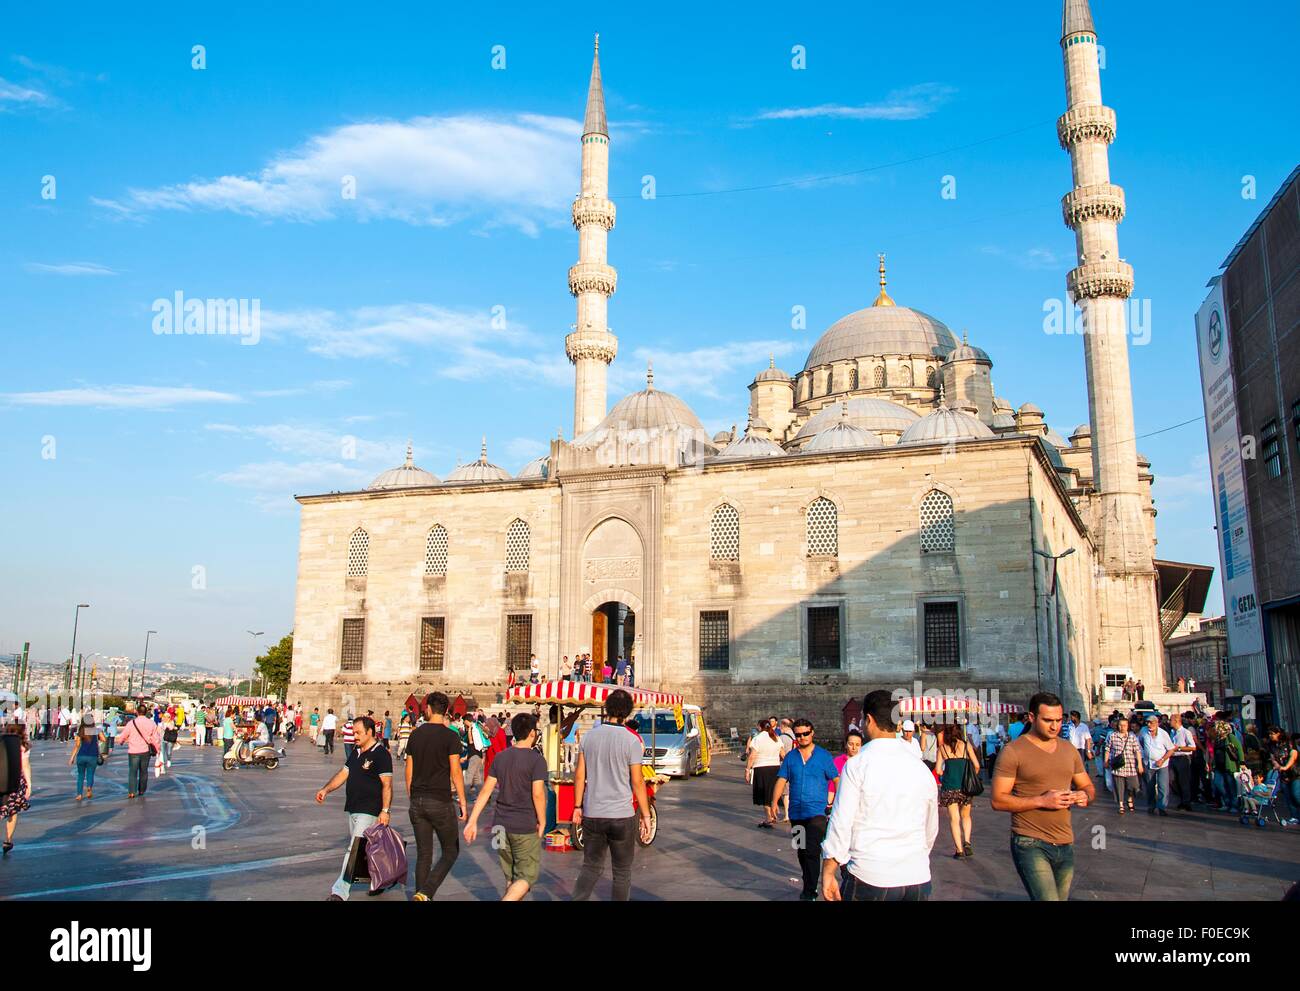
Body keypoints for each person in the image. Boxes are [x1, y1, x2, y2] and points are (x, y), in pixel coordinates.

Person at [821, 690, 938, 901]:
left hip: (871, 875)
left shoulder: (857, 765)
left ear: (869, 719)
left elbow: (841, 822)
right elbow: (931, 827)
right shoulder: (921, 768)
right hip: (917, 876)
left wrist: (829, 869)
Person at [990, 692, 1095, 901]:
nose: (1055, 726)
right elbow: (998, 800)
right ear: (1031, 717)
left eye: (1058, 720)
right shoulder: (1014, 751)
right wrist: (1042, 800)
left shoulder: (1068, 749)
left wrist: (1083, 795)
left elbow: (1088, 787)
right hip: (1029, 841)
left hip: (1065, 841)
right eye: (1048, 720)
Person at [571, 689, 652, 901]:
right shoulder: (631, 741)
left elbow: (579, 776)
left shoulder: (589, 738)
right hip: (621, 815)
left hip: (593, 813)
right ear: (627, 712)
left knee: (591, 867)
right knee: (622, 873)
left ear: (607, 709)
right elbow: (637, 781)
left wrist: (577, 807)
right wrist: (646, 815)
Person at [464, 712, 548, 900]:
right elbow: (538, 794)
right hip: (523, 826)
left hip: (499, 827)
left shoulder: (500, 757)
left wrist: (473, 820)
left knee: (510, 876)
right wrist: (543, 821)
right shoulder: (537, 760)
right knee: (527, 876)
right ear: (532, 733)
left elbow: (485, 791)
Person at [315, 715, 392, 900]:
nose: (355, 736)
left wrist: (385, 811)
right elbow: (343, 774)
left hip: (370, 809)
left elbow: (387, 785)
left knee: (354, 850)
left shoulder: (381, 754)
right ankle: (383, 880)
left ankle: (339, 892)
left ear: (370, 732)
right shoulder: (356, 752)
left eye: (358, 733)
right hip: (353, 807)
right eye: (353, 732)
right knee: (366, 850)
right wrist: (326, 790)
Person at [769, 718, 839, 900]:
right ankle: (808, 880)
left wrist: (839, 803)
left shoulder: (823, 756)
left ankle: (810, 891)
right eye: (798, 735)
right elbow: (781, 780)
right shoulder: (791, 757)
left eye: (805, 733)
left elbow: (836, 779)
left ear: (812, 733)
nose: (802, 737)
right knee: (801, 850)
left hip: (816, 813)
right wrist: (774, 802)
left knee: (812, 851)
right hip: (796, 814)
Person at [405, 691, 466, 901]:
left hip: (417, 800)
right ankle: (426, 892)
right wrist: (463, 802)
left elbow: (409, 771)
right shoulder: (451, 736)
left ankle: (420, 896)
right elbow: (456, 772)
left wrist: (412, 796)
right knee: (450, 851)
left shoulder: (415, 734)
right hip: (440, 801)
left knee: (424, 854)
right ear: (447, 710)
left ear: (429, 709)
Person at [936, 723, 980, 859]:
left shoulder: (942, 748)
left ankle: (959, 850)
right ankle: (967, 841)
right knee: (966, 816)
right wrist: (971, 776)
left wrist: (946, 775)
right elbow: (977, 766)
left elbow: (938, 770)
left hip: (950, 787)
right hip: (965, 787)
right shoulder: (966, 746)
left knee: (954, 819)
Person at [115, 705, 162, 799]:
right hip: (145, 751)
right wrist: (158, 749)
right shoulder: (151, 723)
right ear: (146, 712)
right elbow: (156, 738)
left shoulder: (131, 723)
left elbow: (124, 735)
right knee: (144, 771)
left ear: (137, 712)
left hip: (133, 751)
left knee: (133, 771)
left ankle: (132, 791)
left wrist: (121, 741)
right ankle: (141, 790)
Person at [1, 718, 32, 854]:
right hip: (15, 780)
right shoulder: (23, 746)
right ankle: (8, 839)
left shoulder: (2, 741)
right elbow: (25, 766)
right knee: (12, 811)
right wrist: (29, 784)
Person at [745, 719, 783, 828]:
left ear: (760, 727)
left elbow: (752, 756)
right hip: (775, 767)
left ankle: (769, 818)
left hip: (761, 768)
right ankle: (773, 814)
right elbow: (783, 754)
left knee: (764, 794)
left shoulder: (758, 739)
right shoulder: (776, 738)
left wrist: (747, 770)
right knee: (772, 792)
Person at [1138, 714, 1174, 816]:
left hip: (1162, 764)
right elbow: (1139, 743)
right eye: (1148, 723)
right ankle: (1151, 805)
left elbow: (1171, 749)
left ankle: (1162, 806)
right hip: (1148, 763)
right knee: (1150, 786)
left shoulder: (1163, 734)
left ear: (1157, 723)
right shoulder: (1143, 731)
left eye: (1152, 723)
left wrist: (1162, 759)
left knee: (1163, 786)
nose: (1149, 725)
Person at [1106, 717, 1143, 813]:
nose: (1122, 727)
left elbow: (1137, 751)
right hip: (1118, 765)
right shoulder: (1113, 736)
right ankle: (1121, 805)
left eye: (1125, 725)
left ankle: (1130, 798)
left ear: (1128, 726)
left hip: (1130, 765)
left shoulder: (1132, 737)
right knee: (1119, 786)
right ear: (1117, 726)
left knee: (1134, 786)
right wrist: (1106, 761)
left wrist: (1140, 764)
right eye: (1120, 725)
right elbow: (1107, 749)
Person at [68, 713, 104, 801]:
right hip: (93, 756)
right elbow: (104, 739)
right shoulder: (96, 730)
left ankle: (79, 794)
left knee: (80, 775)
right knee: (90, 774)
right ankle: (89, 788)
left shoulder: (81, 731)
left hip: (81, 756)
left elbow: (77, 745)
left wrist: (72, 758)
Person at [1167, 713, 1197, 811]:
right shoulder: (1172, 732)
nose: (1169, 722)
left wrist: (1179, 748)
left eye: (1171, 720)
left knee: (1184, 780)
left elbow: (1193, 747)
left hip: (1183, 757)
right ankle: (1181, 799)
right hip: (1173, 758)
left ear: (1176, 721)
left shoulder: (1185, 732)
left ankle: (1186, 802)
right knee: (1174, 780)